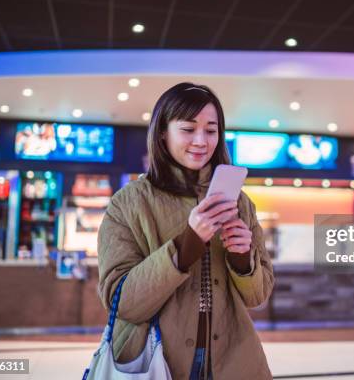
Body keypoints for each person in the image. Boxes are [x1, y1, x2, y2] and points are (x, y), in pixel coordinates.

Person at [97, 82, 274, 379]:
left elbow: (258, 296)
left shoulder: (240, 202)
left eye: (211, 130)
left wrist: (242, 258)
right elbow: (122, 302)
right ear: (163, 132)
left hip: (236, 361)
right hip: (157, 362)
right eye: (188, 129)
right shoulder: (129, 203)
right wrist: (187, 244)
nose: (201, 141)